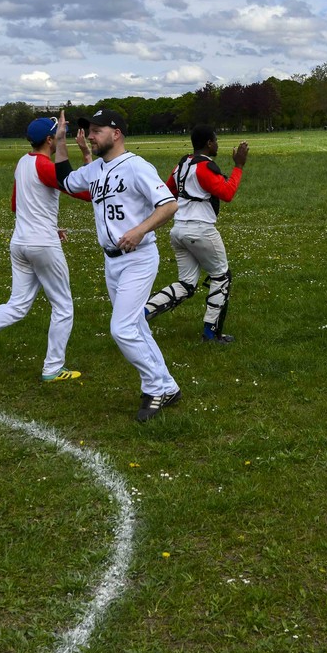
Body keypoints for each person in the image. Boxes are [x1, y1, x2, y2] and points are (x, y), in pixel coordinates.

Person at [57, 109, 183, 422]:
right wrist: (60, 141)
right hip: (112, 261)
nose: (91, 135)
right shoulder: (96, 169)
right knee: (136, 326)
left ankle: (155, 388)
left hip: (138, 259)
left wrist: (141, 229)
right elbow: (64, 181)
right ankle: (168, 384)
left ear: (117, 133)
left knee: (123, 328)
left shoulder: (137, 166)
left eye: (97, 130)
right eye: (89, 130)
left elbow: (169, 204)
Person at [0, 116, 89, 383]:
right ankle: (52, 369)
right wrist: (87, 156)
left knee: (16, 305)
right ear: (50, 140)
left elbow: (17, 205)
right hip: (42, 244)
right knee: (63, 306)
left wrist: (50, 223)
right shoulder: (46, 166)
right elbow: (86, 192)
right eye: (59, 137)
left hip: (20, 243)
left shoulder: (23, 162)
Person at [144, 125, 249, 343]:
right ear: (209, 144)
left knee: (186, 283)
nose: (217, 144)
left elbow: (167, 192)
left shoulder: (181, 165)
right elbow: (227, 193)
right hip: (201, 230)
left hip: (178, 230)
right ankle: (211, 333)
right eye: (216, 140)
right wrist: (239, 166)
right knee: (221, 276)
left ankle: (142, 314)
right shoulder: (204, 167)